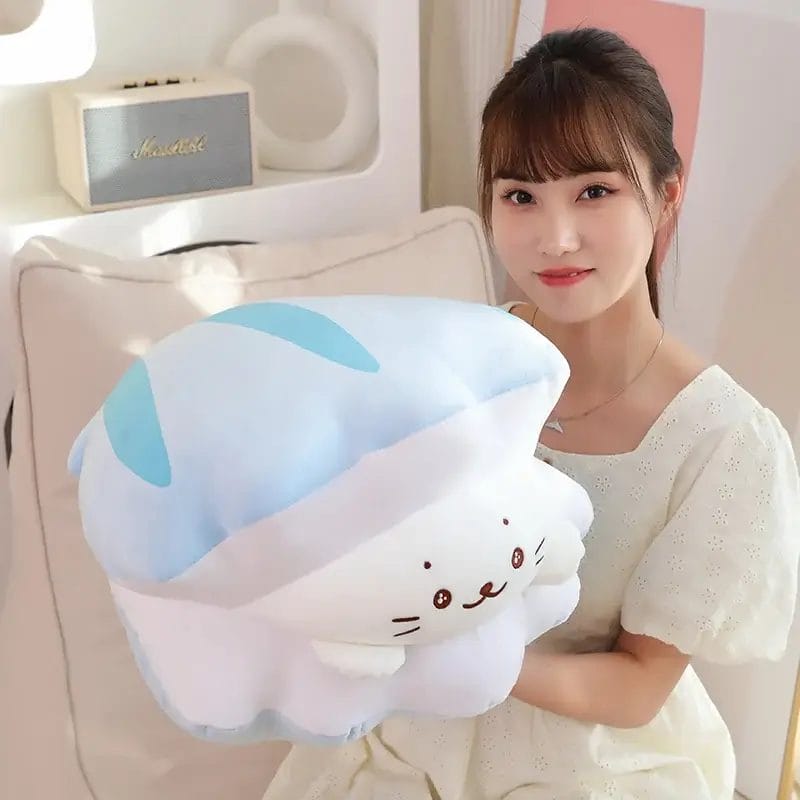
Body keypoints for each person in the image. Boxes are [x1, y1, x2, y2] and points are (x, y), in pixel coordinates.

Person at [263, 27, 800, 799]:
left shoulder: (723, 441)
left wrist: (452, 659)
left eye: (594, 191)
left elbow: (638, 685)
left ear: (666, 194)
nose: (556, 238)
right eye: (520, 196)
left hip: (591, 764)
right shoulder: (457, 359)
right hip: (403, 741)